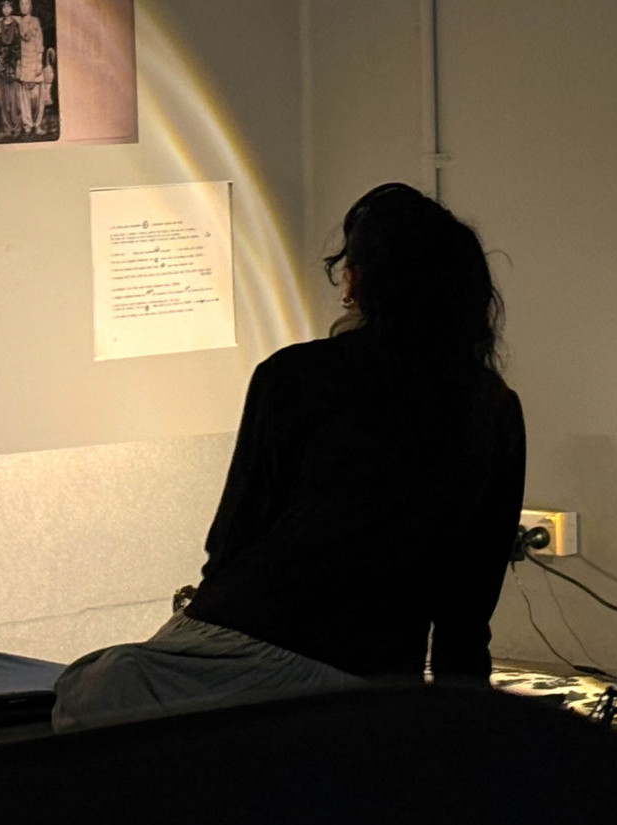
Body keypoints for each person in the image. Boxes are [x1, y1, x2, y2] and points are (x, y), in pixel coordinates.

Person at [51, 182, 526, 729]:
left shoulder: (295, 375)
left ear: (358, 282)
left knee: (86, 692)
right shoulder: (494, 409)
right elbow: (468, 603)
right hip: (367, 676)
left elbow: (233, 536)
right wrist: (454, 729)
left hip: (247, 638)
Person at [12, 0, 49, 132]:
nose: (24, 6)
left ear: (30, 6)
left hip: (34, 60)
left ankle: (38, 124)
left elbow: (39, 42)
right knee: (24, 95)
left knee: (39, 95)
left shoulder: (35, 21)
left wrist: (39, 62)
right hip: (23, 60)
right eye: (21, 3)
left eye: (26, 3)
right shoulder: (17, 22)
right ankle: (27, 125)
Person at [0, 0, 22, 137]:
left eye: (8, 7)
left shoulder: (16, 24)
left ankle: (17, 126)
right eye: (4, 7)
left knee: (14, 97)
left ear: (12, 9)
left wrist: (18, 63)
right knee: (3, 98)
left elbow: (19, 44)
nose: (6, 9)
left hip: (13, 62)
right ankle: (7, 127)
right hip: (2, 62)